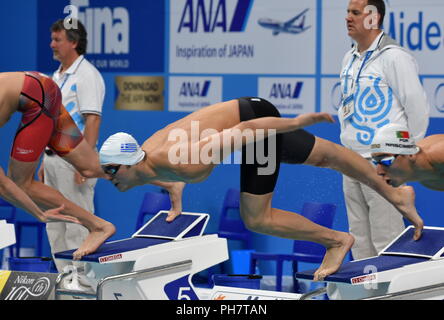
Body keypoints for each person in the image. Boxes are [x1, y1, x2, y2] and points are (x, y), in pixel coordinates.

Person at [99, 97, 423, 281]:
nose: (109, 178)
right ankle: (360, 222)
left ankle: (343, 236)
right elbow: (146, 172)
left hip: (255, 121)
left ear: (128, 163)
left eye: (112, 171)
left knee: (262, 212)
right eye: (106, 172)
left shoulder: (185, 160)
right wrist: (171, 187)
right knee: (315, 167)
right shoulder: (144, 162)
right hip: (244, 117)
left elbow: (249, 130)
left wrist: (297, 122)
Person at [338, 0, 429, 259]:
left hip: (382, 163)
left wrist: (407, 158)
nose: (348, 18)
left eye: (355, 13)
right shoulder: (349, 58)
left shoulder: (395, 57)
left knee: (386, 240)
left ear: (373, 18)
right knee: (359, 241)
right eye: (347, 12)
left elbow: (417, 108)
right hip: (351, 160)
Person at [0, 71, 115, 260]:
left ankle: (98, 225)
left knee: (20, 183)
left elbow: (4, 185)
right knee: (90, 167)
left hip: (36, 99)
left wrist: (40, 214)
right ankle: (162, 176)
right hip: (42, 85)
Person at [37, 18, 105, 278]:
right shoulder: (56, 76)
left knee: (79, 224)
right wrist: (45, 159)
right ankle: (66, 281)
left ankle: (85, 283)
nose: (52, 44)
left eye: (57, 40)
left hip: (75, 160)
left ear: (74, 43)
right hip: (53, 158)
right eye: (52, 39)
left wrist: (85, 163)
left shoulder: (87, 75)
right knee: (55, 222)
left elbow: (93, 119)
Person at [371, 124, 444, 191]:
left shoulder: (439, 153)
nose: (379, 172)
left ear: (411, 155)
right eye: (375, 162)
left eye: (386, 161)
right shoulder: (428, 180)